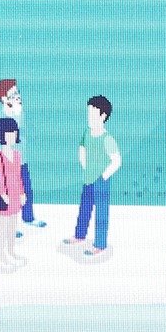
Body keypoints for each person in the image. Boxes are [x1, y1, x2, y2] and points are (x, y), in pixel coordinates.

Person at [0, 78, 45, 233]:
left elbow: (30, 133)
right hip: (6, 164)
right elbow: (5, 141)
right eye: (13, 94)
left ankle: (28, 217)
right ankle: (10, 225)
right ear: (4, 98)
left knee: (26, 190)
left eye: (17, 92)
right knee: (9, 193)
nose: (18, 97)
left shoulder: (21, 115)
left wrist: (20, 115)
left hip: (22, 161)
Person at [68, 95, 120, 257]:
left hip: (101, 181)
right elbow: (82, 149)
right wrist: (85, 166)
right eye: (88, 114)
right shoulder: (86, 133)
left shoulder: (107, 139)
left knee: (101, 212)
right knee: (84, 208)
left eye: (93, 114)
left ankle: (100, 244)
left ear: (103, 116)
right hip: (88, 177)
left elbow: (117, 161)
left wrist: (103, 176)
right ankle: (79, 235)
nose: (89, 118)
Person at [0, 121, 25, 269]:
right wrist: (1, 193)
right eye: (9, 133)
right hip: (3, 199)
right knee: (2, 230)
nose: (12, 136)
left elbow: (19, 176)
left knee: (12, 228)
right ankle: (2, 256)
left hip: (15, 198)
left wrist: (22, 193)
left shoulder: (17, 154)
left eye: (14, 133)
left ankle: (11, 252)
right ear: (1, 135)